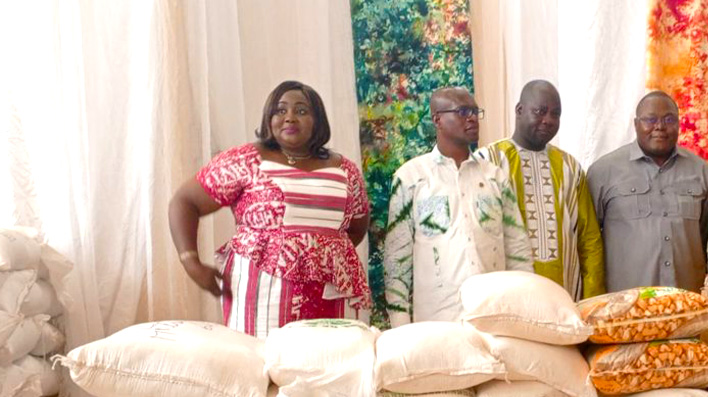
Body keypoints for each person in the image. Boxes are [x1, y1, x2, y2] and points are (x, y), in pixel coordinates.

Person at [169, 80, 370, 337]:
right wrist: (190, 261)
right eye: (280, 110)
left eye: (301, 111)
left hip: (330, 295)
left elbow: (355, 227)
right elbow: (185, 202)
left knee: (327, 365)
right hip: (260, 289)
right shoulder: (246, 160)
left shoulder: (345, 169)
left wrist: (319, 253)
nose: (289, 118)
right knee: (261, 365)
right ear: (268, 117)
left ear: (318, 120)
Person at [381, 87, 533, 327]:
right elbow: (396, 261)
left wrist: (523, 311)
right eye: (463, 111)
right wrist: (400, 326)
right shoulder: (412, 178)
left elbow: (518, 251)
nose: (472, 118)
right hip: (437, 323)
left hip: (495, 319)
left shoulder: (495, 177)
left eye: (475, 111)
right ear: (437, 120)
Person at [476, 80, 605, 300]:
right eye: (540, 111)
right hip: (507, 296)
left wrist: (594, 300)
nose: (548, 120)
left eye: (555, 114)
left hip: (565, 294)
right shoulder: (488, 162)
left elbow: (589, 239)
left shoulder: (570, 167)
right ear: (519, 110)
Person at [587, 90, 708, 293]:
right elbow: (589, 243)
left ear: (679, 123)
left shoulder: (701, 171)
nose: (659, 127)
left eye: (669, 119)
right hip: (625, 309)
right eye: (650, 119)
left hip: (688, 306)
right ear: (636, 124)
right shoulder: (603, 172)